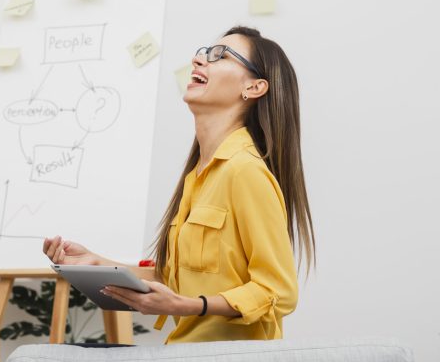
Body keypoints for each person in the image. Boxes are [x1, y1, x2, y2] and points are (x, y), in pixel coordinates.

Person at [44, 26, 315, 343]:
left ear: (254, 87)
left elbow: (279, 292)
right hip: (183, 358)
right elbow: (179, 279)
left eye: (220, 56)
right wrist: (98, 263)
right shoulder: (196, 177)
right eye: (204, 53)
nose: (199, 60)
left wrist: (190, 306)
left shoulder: (245, 172)